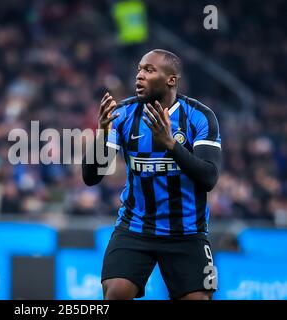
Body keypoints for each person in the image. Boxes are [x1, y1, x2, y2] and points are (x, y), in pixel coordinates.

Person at [82, 49, 221, 300]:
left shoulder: (200, 117)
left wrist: (171, 145)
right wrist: (102, 134)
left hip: (187, 232)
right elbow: (91, 177)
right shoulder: (122, 115)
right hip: (135, 227)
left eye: (149, 70)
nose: (139, 76)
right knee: (115, 293)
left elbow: (209, 177)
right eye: (139, 69)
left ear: (171, 80)